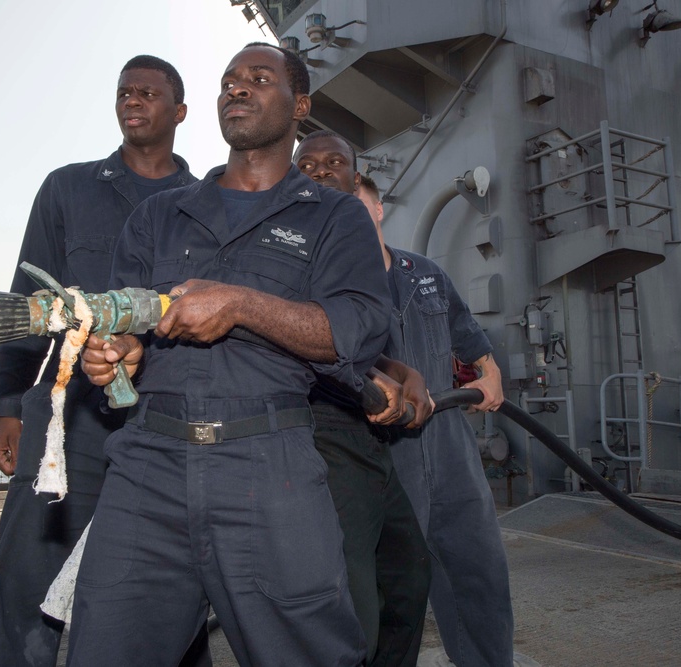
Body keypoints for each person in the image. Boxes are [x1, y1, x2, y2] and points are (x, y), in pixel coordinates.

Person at [69, 43, 392, 666]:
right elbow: (121, 319)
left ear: (299, 106)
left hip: (272, 469)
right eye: (228, 80)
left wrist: (243, 303)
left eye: (258, 79)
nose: (236, 89)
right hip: (147, 467)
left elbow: (359, 330)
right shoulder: (158, 216)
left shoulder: (334, 218)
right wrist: (115, 355)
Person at [0, 55, 201, 667]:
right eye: (125, 91)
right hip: (66, 414)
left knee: (168, 589)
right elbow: (27, 305)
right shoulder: (67, 187)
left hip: (162, 418)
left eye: (149, 93)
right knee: (25, 577)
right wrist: (9, 408)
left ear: (179, 112)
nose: (134, 100)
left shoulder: (207, 202)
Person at [303, 131, 512, 667]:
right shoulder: (319, 285)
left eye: (360, 200)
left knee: (477, 569)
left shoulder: (426, 274)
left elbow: (469, 335)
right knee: (393, 587)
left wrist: (489, 375)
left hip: (449, 444)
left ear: (375, 208)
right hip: (378, 449)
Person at [295, 130, 435, 667]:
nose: (321, 169)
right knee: (352, 606)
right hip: (320, 431)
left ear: (357, 178)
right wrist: (379, 378)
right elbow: (301, 336)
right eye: (306, 164)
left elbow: (352, 339)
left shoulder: (348, 248)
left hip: (369, 437)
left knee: (408, 573)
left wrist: (402, 370)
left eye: (335, 161)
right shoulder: (287, 241)